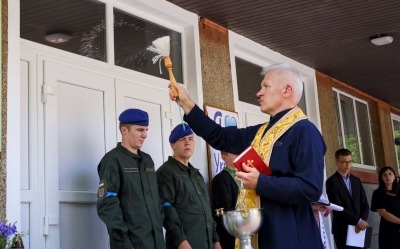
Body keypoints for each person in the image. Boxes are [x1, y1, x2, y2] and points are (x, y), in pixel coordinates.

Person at [169, 62, 327, 249]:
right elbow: (219, 136)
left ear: (287, 90)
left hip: (290, 237)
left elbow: (310, 188)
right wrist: (186, 103)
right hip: (261, 235)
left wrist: (261, 182)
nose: (259, 93)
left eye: (265, 86)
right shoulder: (261, 132)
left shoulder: (305, 131)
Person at [96, 108, 166, 249]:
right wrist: (124, 243)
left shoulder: (147, 160)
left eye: (146, 130)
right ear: (124, 130)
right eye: (140, 130)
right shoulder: (112, 160)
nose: (145, 135)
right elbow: (108, 205)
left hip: (157, 242)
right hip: (132, 243)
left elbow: (156, 200)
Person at [156, 124, 222, 249]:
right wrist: (180, 240)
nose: (188, 143)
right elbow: (165, 208)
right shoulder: (166, 172)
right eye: (182, 139)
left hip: (206, 243)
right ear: (172, 145)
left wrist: (215, 239)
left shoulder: (196, 174)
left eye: (190, 139)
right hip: (186, 244)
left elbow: (206, 209)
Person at [326, 148, 370, 249]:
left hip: (360, 229)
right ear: (336, 162)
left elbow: (365, 204)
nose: (348, 165)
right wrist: (358, 221)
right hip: (343, 230)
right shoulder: (331, 182)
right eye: (344, 162)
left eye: (350, 161)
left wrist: (362, 221)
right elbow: (338, 208)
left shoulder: (356, 180)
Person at [211, 151, 239, 249]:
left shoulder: (245, 176)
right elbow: (226, 211)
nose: (238, 155)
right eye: (234, 153)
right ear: (223, 158)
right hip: (231, 234)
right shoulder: (221, 179)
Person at [370, 166, 400, 249]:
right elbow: (383, 213)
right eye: (384, 175)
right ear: (381, 177)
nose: (388, 176)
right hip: (389, 230)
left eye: (390, 174)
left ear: (395, 176)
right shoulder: (378, 193)